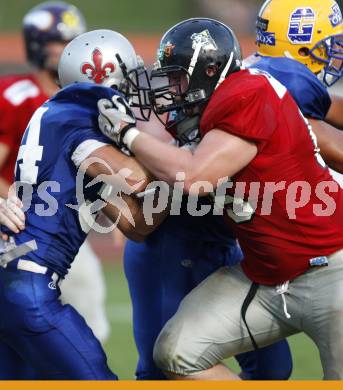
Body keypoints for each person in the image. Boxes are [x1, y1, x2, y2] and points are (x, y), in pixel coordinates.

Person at [97, 17, 343, 380]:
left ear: (210, 70)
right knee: (176, 352)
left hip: (329, 272)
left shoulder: (247, 93)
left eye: (178, 77)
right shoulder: (213, 109)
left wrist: (127, 132)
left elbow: (195, 177)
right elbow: (146, 217)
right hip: (265, 277)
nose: (171, 89)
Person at [0, 28, 156, 379]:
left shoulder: (58, 115)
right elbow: (136, 178)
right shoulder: (80, 125)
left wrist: (186, 193)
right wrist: (184, 161)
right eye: (128, 80)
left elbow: (137, 225)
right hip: (30, 289)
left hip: (11, 278)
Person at [0, 2, 110, 379]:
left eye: (70, 41)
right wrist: (13, 199)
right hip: (24, 229)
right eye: (55, 42)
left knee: (85, 324)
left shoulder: (81, 101)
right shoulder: (17, 96)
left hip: (60, 225)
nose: (64, 50)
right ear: (35, 46)